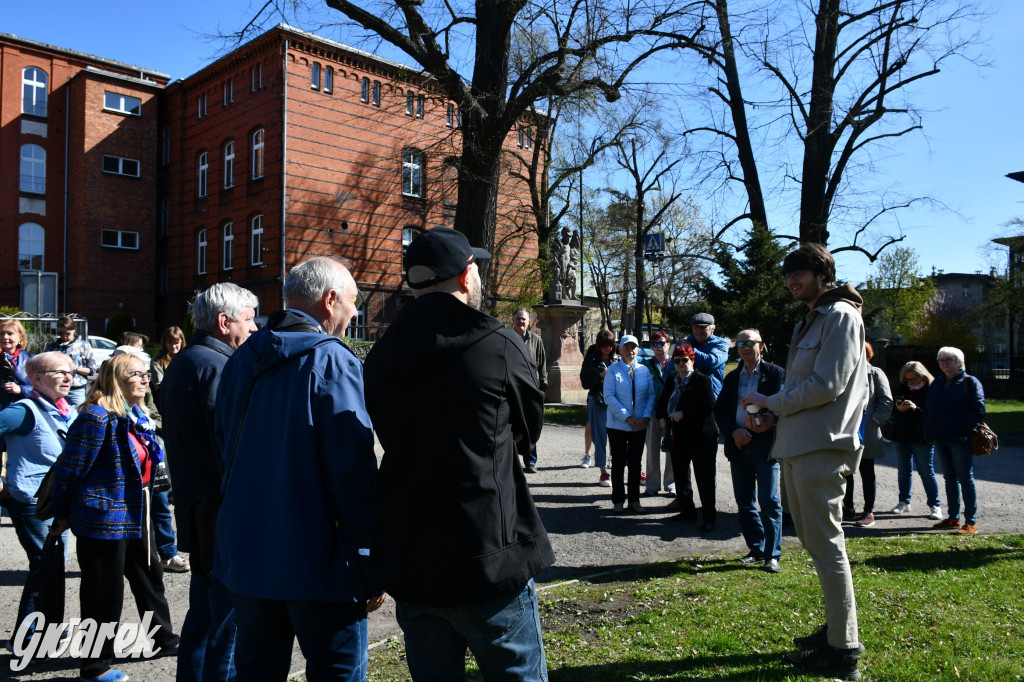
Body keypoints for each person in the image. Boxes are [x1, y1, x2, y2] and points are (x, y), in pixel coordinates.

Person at [364, 227, 553, 680]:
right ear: (467, 276)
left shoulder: (380, 354)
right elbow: (530, 430)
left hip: (413, 560)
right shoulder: (499, 344)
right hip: (487, 555)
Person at [213, 257, 383, 680]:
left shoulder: (241, 357)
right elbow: (354, 470)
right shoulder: (333, 361)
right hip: (320, 566)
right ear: (330, 300)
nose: (355, 312)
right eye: (353, 302)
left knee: (256, 672)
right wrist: (368, 557)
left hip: (247, 556)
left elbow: (225, 446)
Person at [742, 242, 867, 680]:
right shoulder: (813, 319)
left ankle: (843, 649)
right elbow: (807, 391)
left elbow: (827, 385)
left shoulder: (841, 317)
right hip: (797, 446)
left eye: (800, 273)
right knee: (817, 544)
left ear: (822, 274)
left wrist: (770, 400)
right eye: (787, 275)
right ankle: (838, 626)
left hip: (822, 448)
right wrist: (774, 414)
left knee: (827, 546)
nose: (792, 281)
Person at [49, 353, 180, 682]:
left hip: (138, 512)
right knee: (103, 593)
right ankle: (95, 667)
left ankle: (162, 639)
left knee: (150, 579)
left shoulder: (136, 415)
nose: (144, 380)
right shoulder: (96, 417)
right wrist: (62, 514)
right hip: (104, 519)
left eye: (146, 374)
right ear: (116, 379)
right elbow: (68, 472)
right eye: (136, 374)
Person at [161, 282, 257, 682]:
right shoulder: (219, 367)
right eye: (249, 319)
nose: (254, 329)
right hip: (222, 511)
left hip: (198, 507)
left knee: (203, 616)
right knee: (227, 625)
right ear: (224, 322)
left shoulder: (184, 362)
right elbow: (230, 445)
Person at [0, 352, 75, 658]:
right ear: (37, 378)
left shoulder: (62, 407)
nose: (69, 378)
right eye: (60, 372)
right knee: (44, 567)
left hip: (57, 502)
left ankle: (46, 628)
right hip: (32, 502)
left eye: (71, 372)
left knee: (53, 565)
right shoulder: (23, 410)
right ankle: (27, 637)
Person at [714, 329, 785, 572]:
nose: (745, 347)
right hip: (739, 445)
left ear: (761, 346)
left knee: (769, 501)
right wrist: (734, 433)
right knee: (745, 503)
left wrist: (771, 419)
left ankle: (772, 555)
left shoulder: (775, 374)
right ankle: (756, 549)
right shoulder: (731, 378)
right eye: (740, 343)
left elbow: (785, 404)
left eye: (750, 343)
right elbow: (720, 411)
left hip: (766, 447)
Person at [923, 346, 985, 535]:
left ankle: (971, 521)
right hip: (941, 437)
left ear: (958, 362)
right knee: (949, 478)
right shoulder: (938, 382)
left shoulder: (970, 382)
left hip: (960, 438)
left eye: (948, 359)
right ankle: (953, 517)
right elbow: (930, 408)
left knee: (965, 478)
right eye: (941, 360)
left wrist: (959, 427)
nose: (944, 363)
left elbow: (978, 410)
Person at [658, 344, 719, 530]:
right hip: (678, 435)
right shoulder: (672, 379)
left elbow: (708, 406)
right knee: (681, 475)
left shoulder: (702, 380)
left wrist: (684, 413)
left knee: (704, 477)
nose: (681, 363)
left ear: (692, 361)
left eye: (685, 360)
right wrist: (661, 417)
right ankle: (687, 511)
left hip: (702, 436)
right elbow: (662, 401)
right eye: (677, 360)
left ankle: (709, 517)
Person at [603, 334, 655, 513]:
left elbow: (650, 395)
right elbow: (609, 397)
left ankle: (634, 500)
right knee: (618, 463)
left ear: (638, 350)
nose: (630, 351)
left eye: (633, 347)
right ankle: (618, 500)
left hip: (639, 425)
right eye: (626, 347)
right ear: (620, 349)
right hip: (618, 425)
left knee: (635, 463)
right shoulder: (613, 370)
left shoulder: (644, 370)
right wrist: (627, 417)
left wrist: (645, 416)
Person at [843, 342, 893, 528]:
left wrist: (873, 421)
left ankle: (868, 511)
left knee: (867, 472)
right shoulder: (844, 372)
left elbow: (886, 401)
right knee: (846, 471)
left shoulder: (875, 373)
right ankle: (847, 507)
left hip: (867, 430)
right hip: (847, 429)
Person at [887, 361, 942, 520]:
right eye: (907, 380)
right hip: (901, 436)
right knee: (903, 471)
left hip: (921, 438)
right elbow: (892, 410)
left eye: (913, 379)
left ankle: (935, 505)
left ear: (922, 376)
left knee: (926, 472)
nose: (910, 383)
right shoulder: (902, 388)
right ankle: (904, 502)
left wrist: (915, 408)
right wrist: (898, 409)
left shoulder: (931, 390)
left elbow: (933, 414)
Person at [512, 308, 547, 474]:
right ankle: (512, 461)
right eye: (518, 319)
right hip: (511, 388)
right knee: (512, 425)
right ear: (513, 320)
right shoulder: (507, 337)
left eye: (523, 319)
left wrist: (543, 387)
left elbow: (542, 365)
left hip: (531, 389)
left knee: (530, 425)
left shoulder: (536, 340)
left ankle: (530, 461)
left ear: (528, 321)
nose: (521, 322)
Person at [580, 328, 617, 486]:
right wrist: (600, 377)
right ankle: (603, 471)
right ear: (599, 345)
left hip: (615, 402)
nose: (607, 348)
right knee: (599, 436)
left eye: (610, 345)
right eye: (604, 345)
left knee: (617, 436)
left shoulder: (617, 359)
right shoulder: (592, 358)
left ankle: (617, 466)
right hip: (597, 400)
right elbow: (585, 382)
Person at [640, 330, 675, 497]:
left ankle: (672, 484)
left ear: (668, 344)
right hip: (652, 411)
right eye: (655, 344)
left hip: (672, 412)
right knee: (652, 448)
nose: (659, 347)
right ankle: (652, 485)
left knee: (672, 448)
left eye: (662, 343)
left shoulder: (676, 363)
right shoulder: (646, 365)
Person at [44, 314, 96, 406]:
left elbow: (91, 370)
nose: (64, 336)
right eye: (60, 334)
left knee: (77, 416)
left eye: (67, 333)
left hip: (76, 389)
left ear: (74, 330)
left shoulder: (83, 346)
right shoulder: (52, 347)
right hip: (56, 388)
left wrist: (74, 368)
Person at [680, 313, 729, 398]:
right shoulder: (683, 343)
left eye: (703, 327)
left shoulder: (720, 343)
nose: (699, 331)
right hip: (685, 396)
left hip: (710, 396)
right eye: (696, 327)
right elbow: (672, 369)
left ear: (712, 328)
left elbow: (710, 363)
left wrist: (689, 349)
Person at [151, 326, 186, 403]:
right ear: (165, 343)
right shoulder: (157, 362)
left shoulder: (187, 358)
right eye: (170, 342)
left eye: (176, 343)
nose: (173, 346)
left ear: (181, 341)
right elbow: (160, 387)